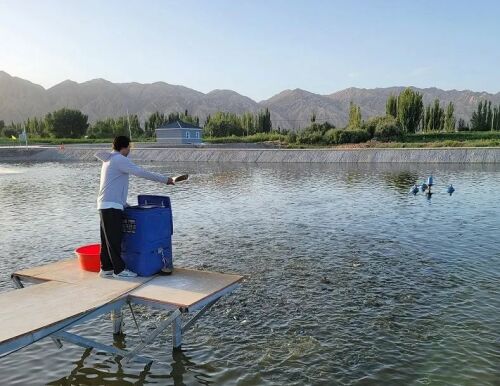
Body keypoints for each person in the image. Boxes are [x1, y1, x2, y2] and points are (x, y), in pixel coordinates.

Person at [95, 136, 174, 278]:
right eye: (129, 147)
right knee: (114, 240)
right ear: (124, 147)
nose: (130, 150)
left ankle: (106, 268)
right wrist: (165, 180)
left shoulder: (109, 160)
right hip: (111, 206)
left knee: (107, 239)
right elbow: (141, 172)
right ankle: (119, 270)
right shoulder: (120, 159)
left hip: (105, 204)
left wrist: (124, 204)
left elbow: (113, 185)